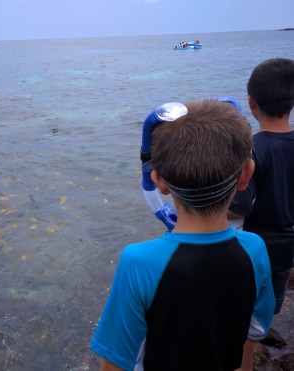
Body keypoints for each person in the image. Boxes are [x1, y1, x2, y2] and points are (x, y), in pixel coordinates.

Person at [90, 99, 275, 371]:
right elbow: (255, 331)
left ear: (159, 181)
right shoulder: (255, 249)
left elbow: (115, 363)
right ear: (247, 174)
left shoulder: (138, 261)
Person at [229, 58, 294, 318]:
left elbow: (240, 208)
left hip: (258, 246)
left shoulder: (252, 150)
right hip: (288, 247)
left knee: (245, 309)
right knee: (268, 309)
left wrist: (202, 206)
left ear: (251, 102)